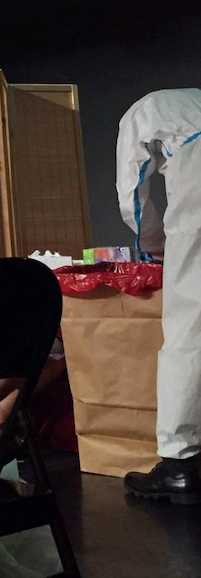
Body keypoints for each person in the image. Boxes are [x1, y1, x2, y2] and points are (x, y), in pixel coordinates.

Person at [117, 88, 201, 504]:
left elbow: (132, 187)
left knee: (189, 330)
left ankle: (179, 464)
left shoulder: (145, 108)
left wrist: (153, 242)